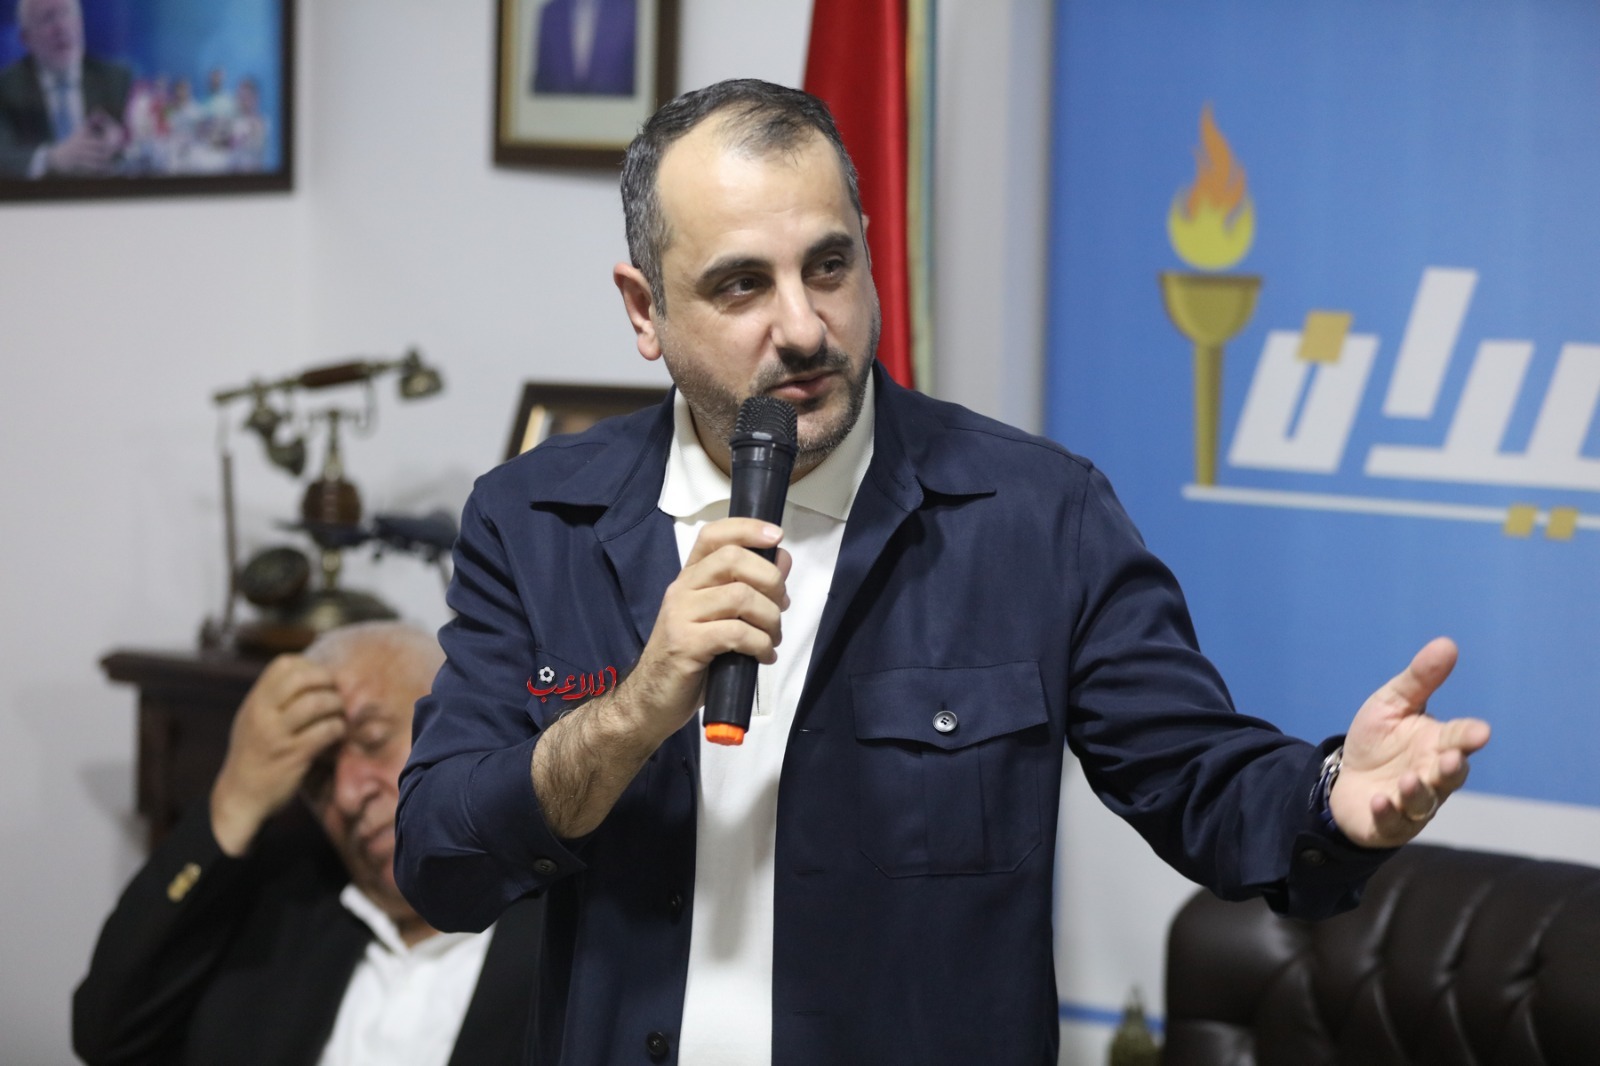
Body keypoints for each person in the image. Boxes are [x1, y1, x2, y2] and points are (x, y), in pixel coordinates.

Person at [393, 79, 1492, 1065]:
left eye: (829, 266)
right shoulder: (535, 519)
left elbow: (1196, 777)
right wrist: (634, 712)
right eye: (741, 286)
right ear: (646, 310)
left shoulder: (1036, 515)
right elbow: (444, 857)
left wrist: (1331, 795)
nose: (803, 327)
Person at [74, 622, 541, 1066]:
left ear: (465, 726)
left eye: (374, 740)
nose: (347, 794)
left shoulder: (559, 929)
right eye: (319, 775)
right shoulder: (282, 919)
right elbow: (108, 1037)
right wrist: (234, 801)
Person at [0, 0, 129, 178]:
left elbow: (145, 145)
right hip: (37, 194)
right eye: (47, 18)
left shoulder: (116, 79)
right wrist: (51, 159)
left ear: (81, 23)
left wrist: (121, 143)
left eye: (67, 13)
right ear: (26, 38)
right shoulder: (5, 88)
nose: (61, 27)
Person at [529, 0, 637, 97]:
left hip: (614, 107)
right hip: (557, 107)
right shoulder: (551, 12)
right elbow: (542, 77)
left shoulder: (628, 11)